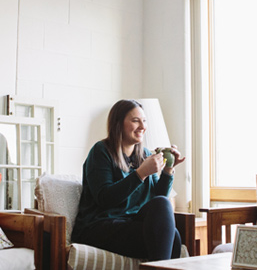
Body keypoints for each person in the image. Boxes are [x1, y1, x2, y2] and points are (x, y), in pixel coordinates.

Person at [71, 99, 186, 261]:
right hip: (100, 226)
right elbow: (105, 198)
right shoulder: (101, 151)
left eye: (144, 121)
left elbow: (157, 199)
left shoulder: (145, 155)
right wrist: (140, 174)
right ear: (118, 123)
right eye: (135, 120)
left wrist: (168, 170)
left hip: (130, 224)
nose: (142, 126)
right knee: (169, 237)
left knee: (173, 234)